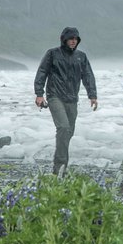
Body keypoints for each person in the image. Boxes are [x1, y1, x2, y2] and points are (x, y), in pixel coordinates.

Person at [34, 27, 97, 175]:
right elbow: (42, 72)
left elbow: (88, 75)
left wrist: (92, 95)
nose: (73, 41)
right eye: (71, 38)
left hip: (72, 99)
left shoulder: (81, 56)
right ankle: (60, 168)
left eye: (76, 39)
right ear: (64, 39)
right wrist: (39, 94)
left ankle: (61, 165)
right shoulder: (52, 54)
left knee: (68, 132)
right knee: (63, 128)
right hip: (54, 96)